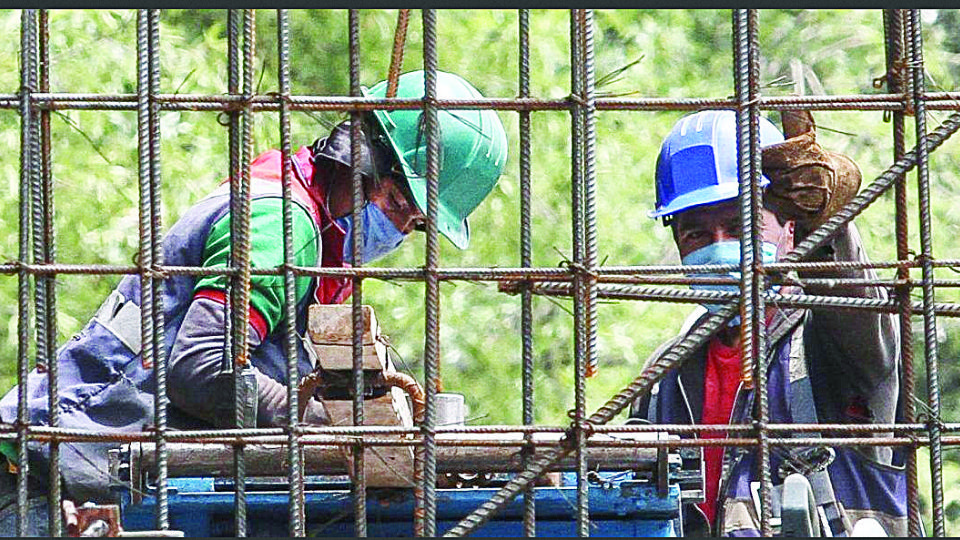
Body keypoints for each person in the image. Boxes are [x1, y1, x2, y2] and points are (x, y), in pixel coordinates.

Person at [0, 69, 508, 520]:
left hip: (90, 464)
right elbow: (200, 369)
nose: (398, 230)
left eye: (415, 223)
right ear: (359, 159)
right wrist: (329, 424)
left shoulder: (324, 240)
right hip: (51, 468)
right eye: (398, 203)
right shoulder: (283, 225)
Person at [629, 109, 907, 536]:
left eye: (740, 226)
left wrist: (829, 229)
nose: (720, 248)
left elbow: (855, 306)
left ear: (791, 230)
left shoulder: (832, 345)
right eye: (696, 234)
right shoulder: (665, 374)